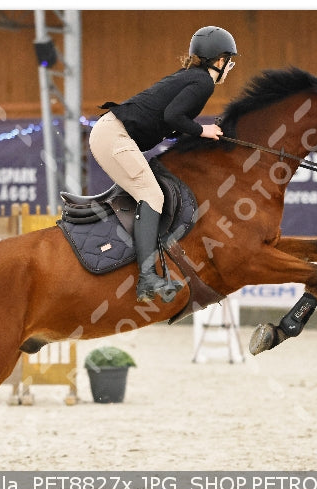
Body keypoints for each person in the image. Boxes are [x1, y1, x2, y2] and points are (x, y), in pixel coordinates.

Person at [89, 26, 238, 302]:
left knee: (146, 194)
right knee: (152, 195)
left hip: (111, 132)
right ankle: (147, 277)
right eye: (229, 62)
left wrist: (199, 134)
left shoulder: (191, 77)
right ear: (219, 60)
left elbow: (171, 123)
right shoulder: (203, 82)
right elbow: (173, 116)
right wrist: (202, 130)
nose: (229, 68)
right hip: (113, 135)